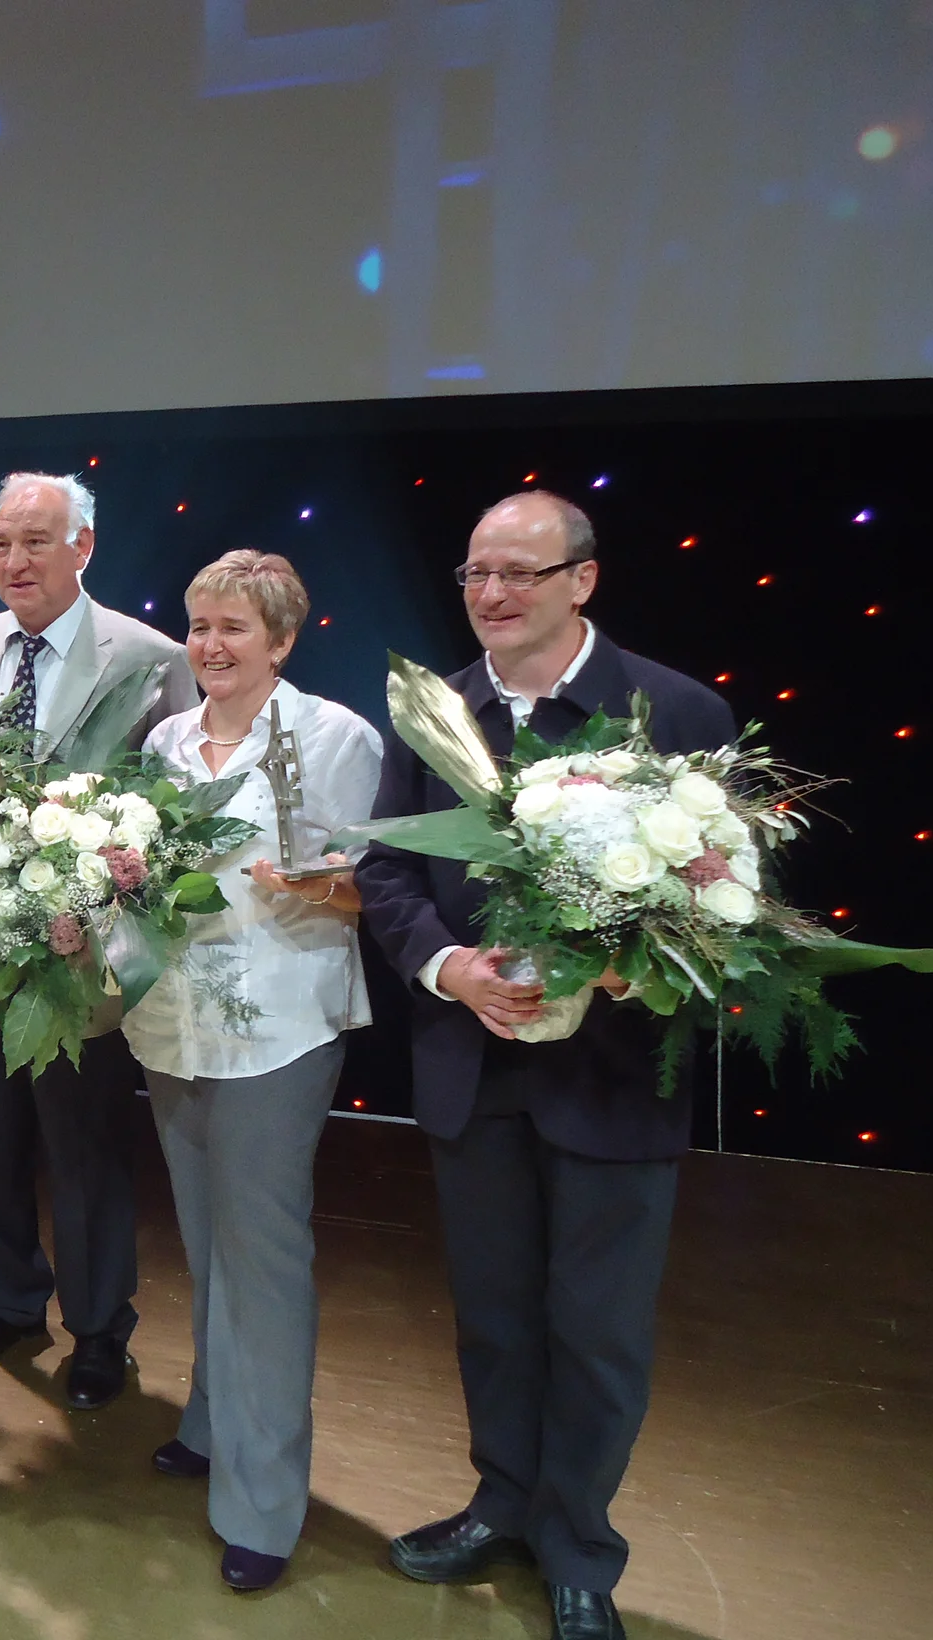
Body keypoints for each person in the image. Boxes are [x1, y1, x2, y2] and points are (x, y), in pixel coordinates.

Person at [353, 492, 738, 1640]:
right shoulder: (433, 715)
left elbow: (728, 892)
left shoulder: (670, 709)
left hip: (614, 1074)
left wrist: (633, 967)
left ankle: (578, 1546)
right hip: (475, 1061)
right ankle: (499, 1503)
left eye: (518, 571)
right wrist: (447, 968)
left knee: (599, 1328)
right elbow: (385, 877)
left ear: (582, 579)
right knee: (495, 1315)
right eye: (474, 573)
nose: (491, 594)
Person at [122, 550, 382, 1592]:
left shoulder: (335, 738)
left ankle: (262, 1504)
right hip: (171, 1017)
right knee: (203, 1240)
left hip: (278, 1023)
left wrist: (317, 887)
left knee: (263, 1257)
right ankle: (211, 1416)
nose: (208, 645)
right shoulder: (165, 739)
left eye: (232, 627)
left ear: (279, 638)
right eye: (196, 624)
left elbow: (383, 892)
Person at [0, 472, 198, 1409]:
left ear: (83, 546)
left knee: (84, 1149)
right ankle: (7, 1301)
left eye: (36, 541)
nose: (14, 561)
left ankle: (97, 1328)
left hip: (83, 951)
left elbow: (176, 817)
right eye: (2, 543)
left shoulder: (153, 656)